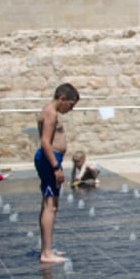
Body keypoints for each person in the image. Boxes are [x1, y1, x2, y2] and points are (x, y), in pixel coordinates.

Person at [35, 83, 79, 264]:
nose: (71, 109)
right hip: (49, 160)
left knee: (49, 204)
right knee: (50, 205)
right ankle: (46, 253)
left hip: (51, 159)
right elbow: (45, 142)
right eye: (70, 105)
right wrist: (56, 167)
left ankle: (47, 248)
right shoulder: (51, 113)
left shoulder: (50, 111)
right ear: (62, 98)